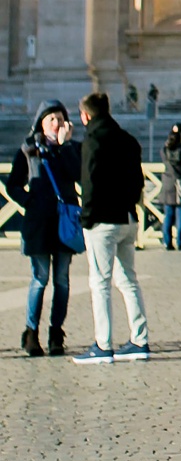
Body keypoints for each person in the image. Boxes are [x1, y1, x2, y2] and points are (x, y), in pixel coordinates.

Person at [76, 92, 149, 363]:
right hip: (128, 219)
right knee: (128, 280)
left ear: (86, 115)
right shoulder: (128, 139)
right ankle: (139, 340)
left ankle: (103, 345)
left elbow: (89, 183)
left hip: (103, 221)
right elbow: (138, 182)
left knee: (100, 283)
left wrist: (87, 217)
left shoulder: (93, 140)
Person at [8, 100, 81, 357]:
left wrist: (66, 145)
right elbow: (12, 185)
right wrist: (30, 201)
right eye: (52, 119)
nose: (57, 124)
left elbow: (79, 175)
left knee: (61, 280)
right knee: (40, 280)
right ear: (41, 122)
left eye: (61, 119)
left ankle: (56, 333)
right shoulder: (28, 149)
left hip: (64, 222)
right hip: (39, 224)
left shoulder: (71, 148)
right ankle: (31, 332)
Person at [158, 123, 181, 250]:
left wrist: (172, 132)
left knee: (168, 215)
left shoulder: (165, 151)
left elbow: (166, 145)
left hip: (168, 184)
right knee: (180, 215)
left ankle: (167, 242)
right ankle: (180, 242)